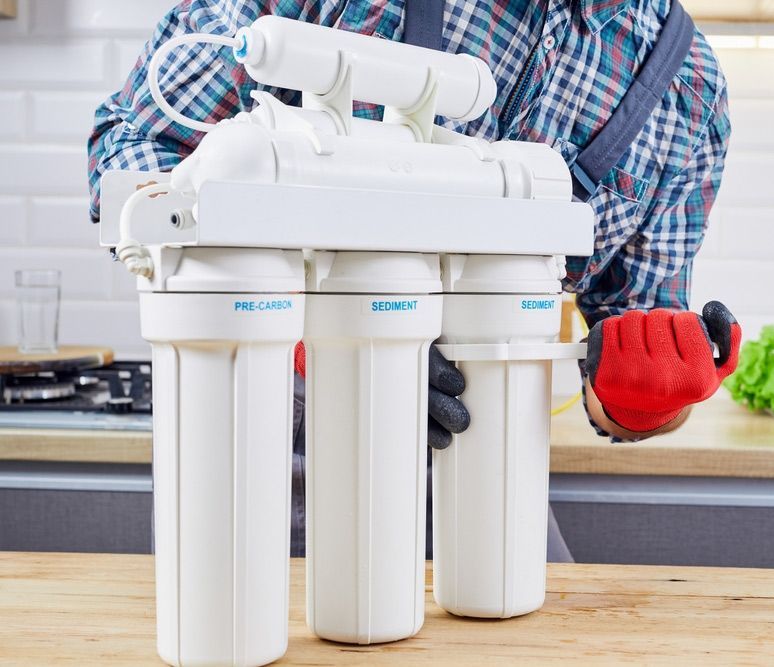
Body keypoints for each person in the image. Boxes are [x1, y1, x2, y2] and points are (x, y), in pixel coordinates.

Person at [88, 0, 741, 561]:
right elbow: (136, 150)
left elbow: (629, 359)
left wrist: (647, 396)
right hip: (275, 419)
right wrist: (313, 331)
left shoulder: (686, 84)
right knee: (244, 624)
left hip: (490, 447)